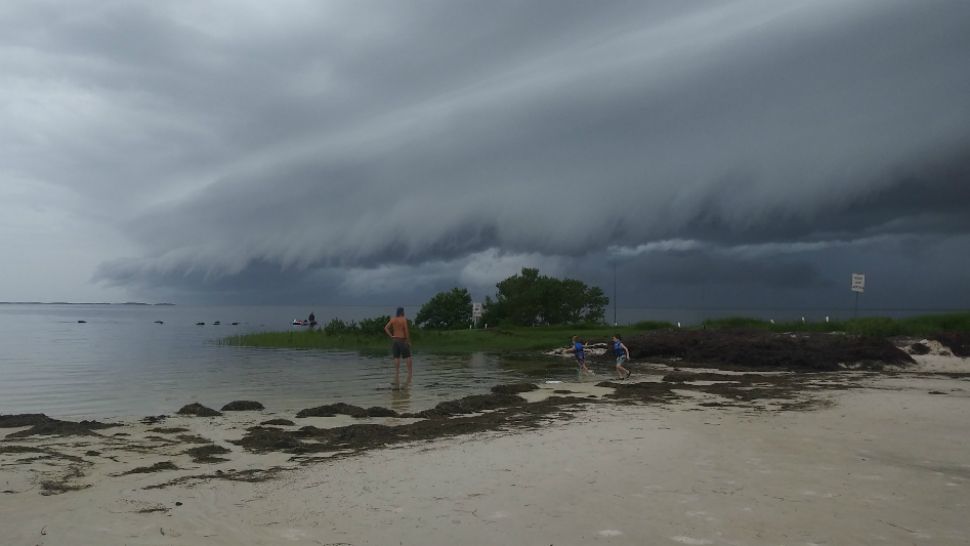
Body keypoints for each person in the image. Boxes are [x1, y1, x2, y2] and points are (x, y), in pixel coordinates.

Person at [383, 307, 413, 383]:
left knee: (396, 357)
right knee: (408, 356)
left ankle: (397, 373)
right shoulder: (403, 319)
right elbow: (406, 330)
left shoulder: (393, 319)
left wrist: (391, 336)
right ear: (402, 312)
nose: (404, 312)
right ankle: (410, 373)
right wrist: (408, 340)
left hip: (395, 340)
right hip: (402, 340)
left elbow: (386, 328)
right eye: (403, 311)